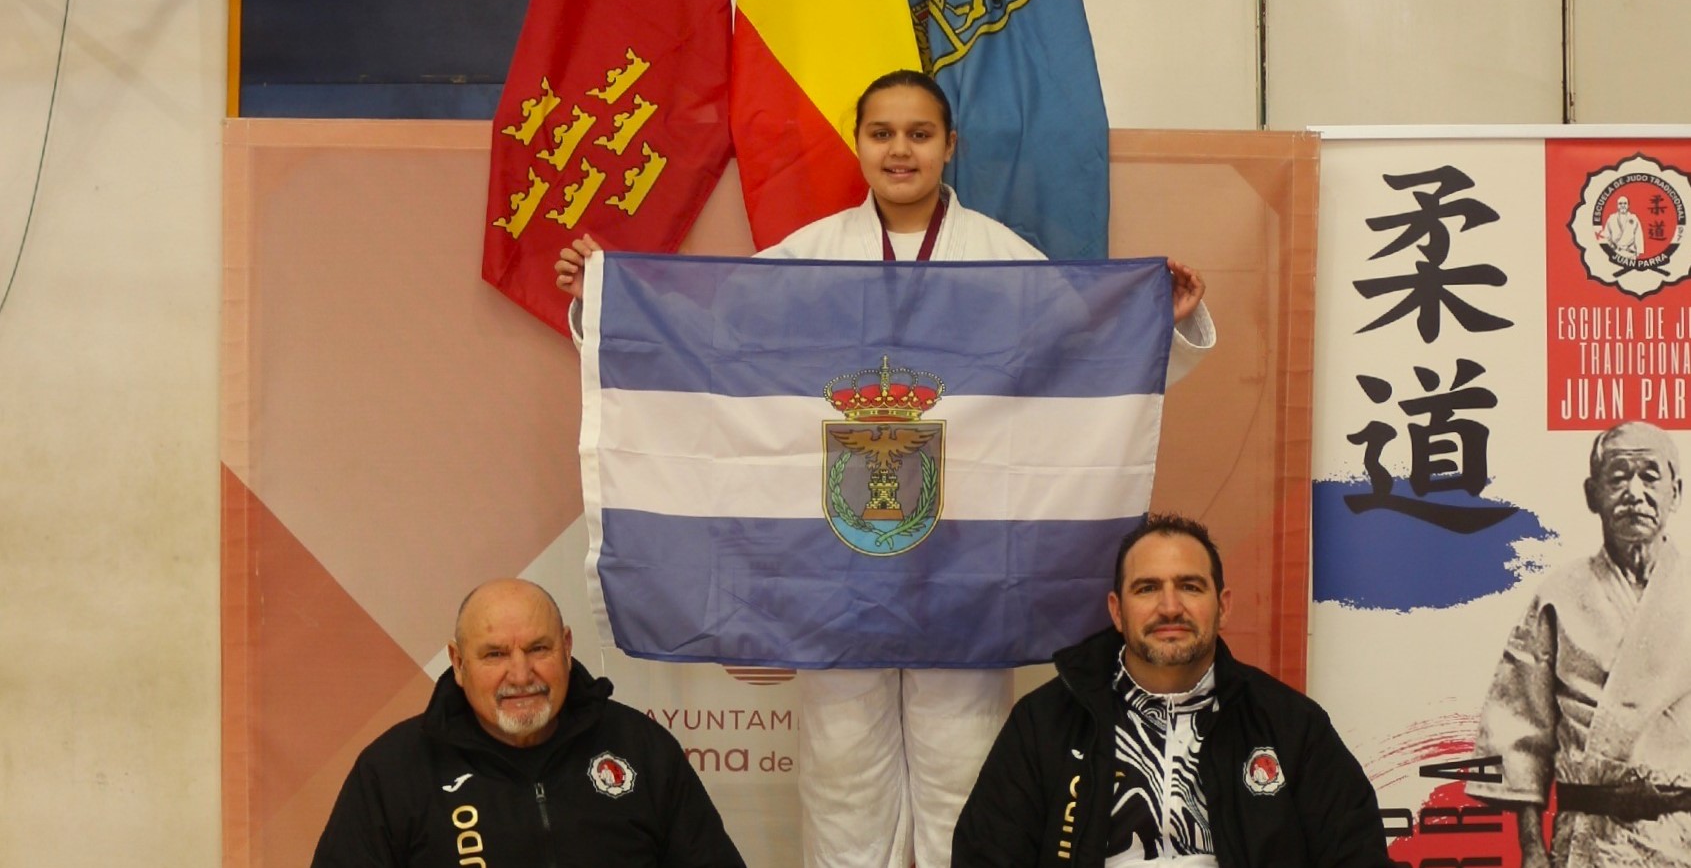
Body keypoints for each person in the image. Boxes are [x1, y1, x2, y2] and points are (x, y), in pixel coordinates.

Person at [556, 69, 1217, 868]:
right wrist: (609, 300)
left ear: (949, 146)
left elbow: (1085, 368)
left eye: (919, 133)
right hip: (834, 569)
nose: (899, 150)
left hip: (965, 569)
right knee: (839, 781)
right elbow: (713, 344)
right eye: (881, 133)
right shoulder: (809, 257)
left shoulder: (999, 258)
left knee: (966, 778)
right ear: (858, 143)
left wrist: (1163, 321)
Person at [952, 514, 1392, 867]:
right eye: (1147, 588)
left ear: (1223, 607)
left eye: (1189, 586)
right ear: (1117, 611)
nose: (1169, 607)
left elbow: (1357, 855)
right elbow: (986, 855)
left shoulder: (1291, 724)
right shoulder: (1044, 723)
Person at [309, 578, 745, 868]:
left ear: (566, 648)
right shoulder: (394, 770)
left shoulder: (642, 749)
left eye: (538, 649)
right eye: (495, 654)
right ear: (458, 663)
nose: (520, 675)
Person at [1471, 421, 1691, 867]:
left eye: (1650, 475)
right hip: (1587, 841)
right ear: (1593, 494)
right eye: (1618, 477)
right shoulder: (1559, 596)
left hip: (1680, 838)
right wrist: (1532, 848)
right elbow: (1519, 731)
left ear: (1676, 491)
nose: (1634, 491)